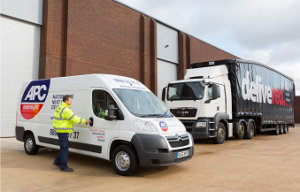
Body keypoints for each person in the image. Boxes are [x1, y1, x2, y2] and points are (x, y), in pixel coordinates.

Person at [52, 95, 90, 172]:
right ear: (66, 101)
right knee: (65, 148)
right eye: (70, 100)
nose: (71, 101)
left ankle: (57, 162)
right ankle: (63, 166)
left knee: (63, 147)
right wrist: (84, 121)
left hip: (60, 130)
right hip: (62, 130)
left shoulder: (60, 107)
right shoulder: (66, 110)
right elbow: (74, 119)